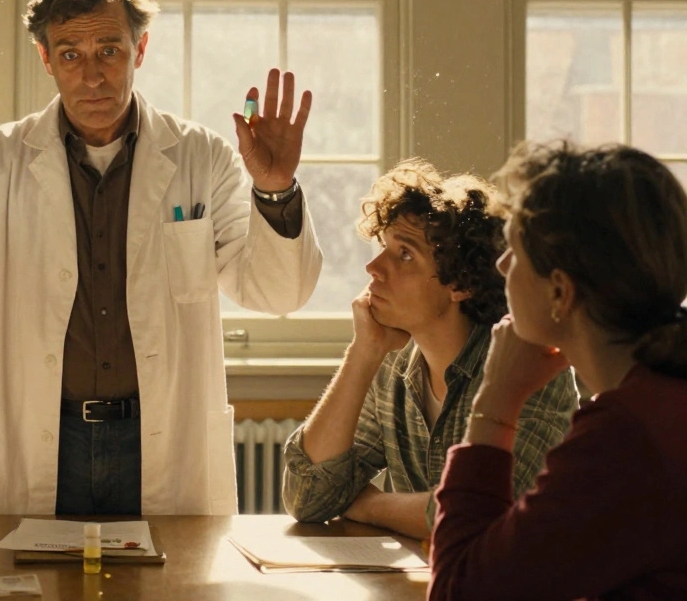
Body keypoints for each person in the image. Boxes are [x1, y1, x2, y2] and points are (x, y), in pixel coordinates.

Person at [0, 0, 324, 515]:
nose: (92, 76)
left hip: (160, 439)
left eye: (109, 50)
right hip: (41, 438)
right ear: (46, 59)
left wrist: (276, 192)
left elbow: (277, 294)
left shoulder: (200, 157)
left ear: (139, 50)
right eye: (71, 55)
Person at [429, 142, 687, 599]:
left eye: (513, 251)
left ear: (560, 294)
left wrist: (496, 398)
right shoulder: (662, 397)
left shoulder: (626, 436)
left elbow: (459, 591)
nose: (501, 265)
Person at [282, 160, 577, 539]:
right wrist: (363, 352)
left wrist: (365, 504)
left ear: (460, 284)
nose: (373, 267)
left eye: (404, 254)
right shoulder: (394, 368)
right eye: (382, 247)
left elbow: (486, 518)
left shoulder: (529, 366)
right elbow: (308, 497)